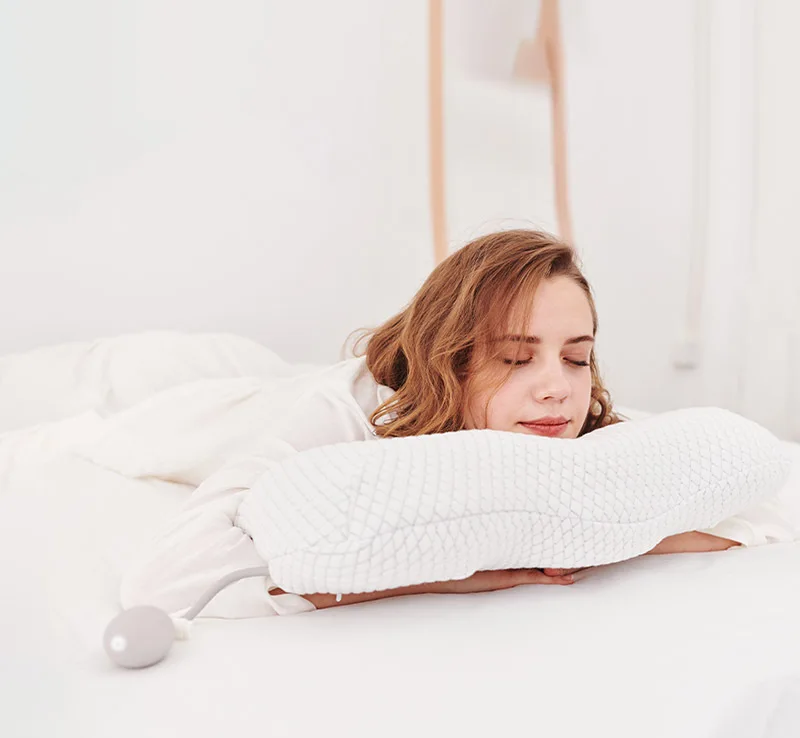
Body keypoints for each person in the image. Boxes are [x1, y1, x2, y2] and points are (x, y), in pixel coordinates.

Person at [120, 229, 785, 619]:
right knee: (138, 398)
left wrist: (618, 533)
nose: (557, 386)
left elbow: (762, 512)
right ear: (452, 361)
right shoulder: (345, 413)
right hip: (205, 416)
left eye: (576, 357)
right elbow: (168, 584)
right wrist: (453, 572)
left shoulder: (574, 422)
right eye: (515, 358)